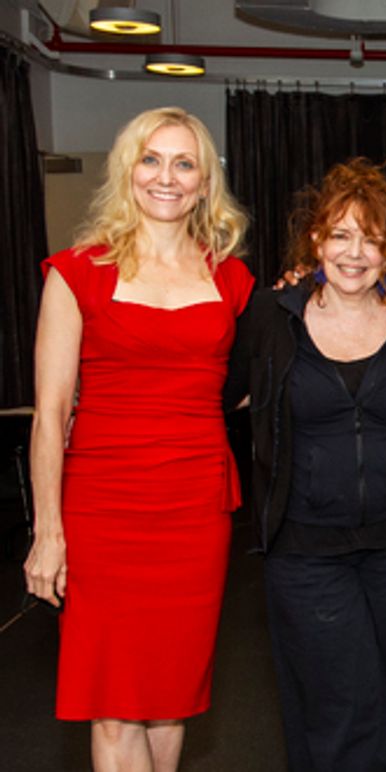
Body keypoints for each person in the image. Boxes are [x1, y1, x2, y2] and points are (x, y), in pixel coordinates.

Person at [23, 107, 253, 772]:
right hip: (102, 513)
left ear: (205, 182)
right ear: (128, 171)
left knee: (170, 700)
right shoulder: (76, 273)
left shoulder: (231, 280)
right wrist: (48, 531)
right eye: (151, 159)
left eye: (185, 163)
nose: (167, 177)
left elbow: (249, 383)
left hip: (193, 513)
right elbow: (51, 412)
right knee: (115, 705)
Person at [225, 159, 386, 771]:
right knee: (343, 709)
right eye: (341, 235)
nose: (356, 253)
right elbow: (211, 393)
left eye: (372, 238)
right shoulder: (273, 319)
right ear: (316, 240)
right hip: (305, 551)